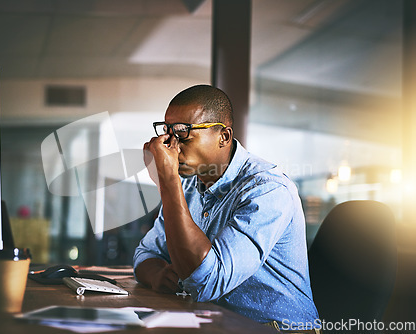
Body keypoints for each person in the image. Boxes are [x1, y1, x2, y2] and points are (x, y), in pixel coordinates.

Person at [133, 84, 320, 332]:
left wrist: (168, 181)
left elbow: (206, 281)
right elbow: (145, 254)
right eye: (167, 132)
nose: (171, 146)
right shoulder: (189, 184)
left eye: (183, 133)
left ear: (224, 137)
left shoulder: (268, 190)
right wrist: (158, 276)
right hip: (217, 324)